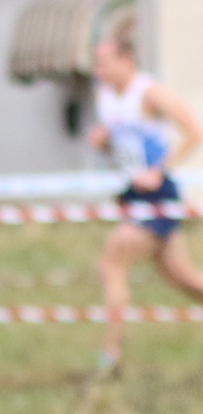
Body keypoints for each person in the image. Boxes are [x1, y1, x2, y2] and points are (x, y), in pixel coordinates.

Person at [84, 26, 203, 378]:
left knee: (111, 262)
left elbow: (194, 130)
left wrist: (159, 169)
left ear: (126, 60)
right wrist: (104, 142)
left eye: (105, 63)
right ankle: (110, 356)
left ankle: (110, 356)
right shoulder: (106, 98)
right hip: (132, 195)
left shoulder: (148, 92)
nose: (99, 71)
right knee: (183, 279)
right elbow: (125, 149)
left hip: (156, 196)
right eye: (97, 64)